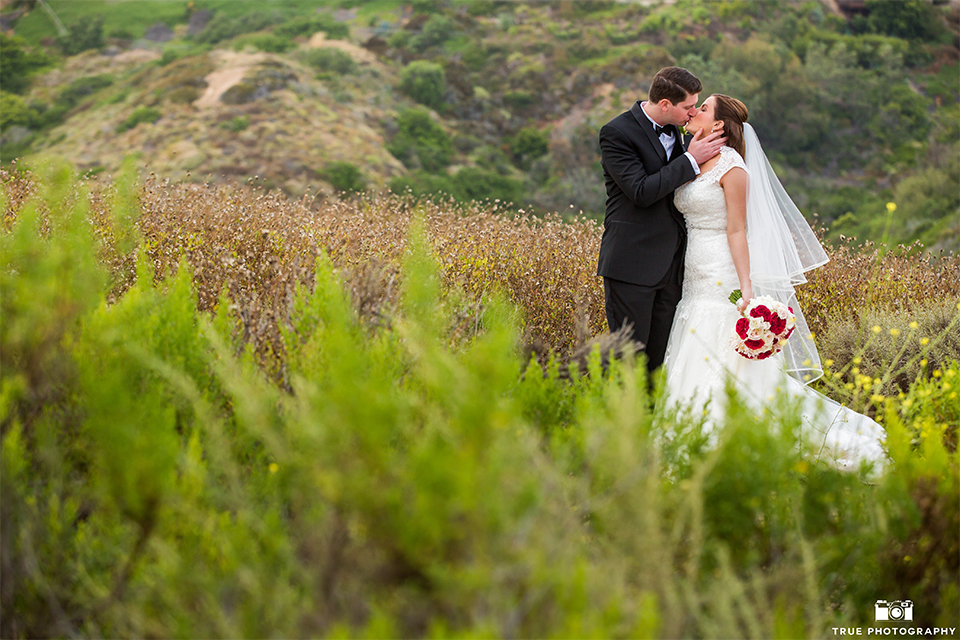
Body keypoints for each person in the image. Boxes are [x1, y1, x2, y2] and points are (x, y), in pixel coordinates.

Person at [662, 94, 886, 469]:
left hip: (721, 268)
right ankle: (691, 432)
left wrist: (747, 289)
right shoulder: (694, 161)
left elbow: (737, 229)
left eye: (703, 108)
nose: (694, 112)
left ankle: (724, 440)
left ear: (718, 125)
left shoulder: (732, 166)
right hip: (693, 270)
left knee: (719, 338)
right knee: (694, 332)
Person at [597, 67, 726, 374]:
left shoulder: (685, 133)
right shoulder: (617, 133)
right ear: (665, 104)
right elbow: (640, 191)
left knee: (661, 360)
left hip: (674, 269)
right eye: (687, 107)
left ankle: (653, 421)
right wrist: (690, 160)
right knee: (627, 360)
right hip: (632, 264)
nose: (693, 112)